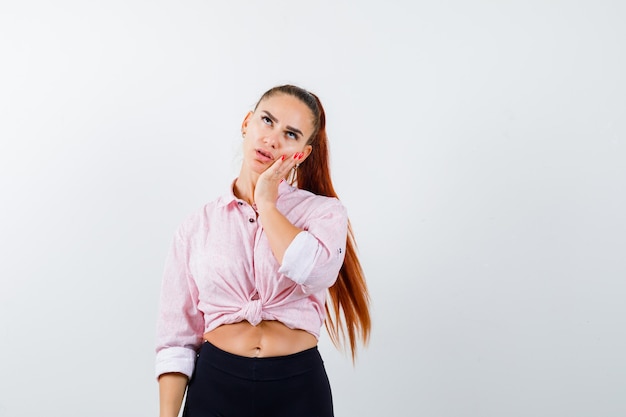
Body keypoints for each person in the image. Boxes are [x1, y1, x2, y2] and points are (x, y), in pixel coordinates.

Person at [155, 84, 371, 417]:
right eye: (267, 121)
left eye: (290, 134)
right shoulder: (197, 227)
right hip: (215, 387)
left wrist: (267, 204)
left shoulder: (324, 214)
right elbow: (176, 339)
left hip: (297, 389)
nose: (272, 139)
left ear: (303, 153)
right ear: (247, 123)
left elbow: (312, 272)